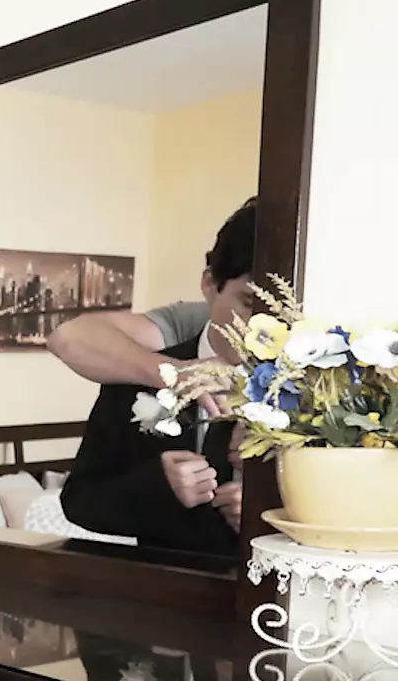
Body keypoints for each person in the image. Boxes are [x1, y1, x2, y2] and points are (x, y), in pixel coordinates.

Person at [58, 199, 257, 555]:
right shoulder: (137, 373)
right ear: (210, 283)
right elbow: (79, 502)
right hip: (162, 584)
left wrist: (264, 515)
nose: (264, 325)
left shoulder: (319, 390)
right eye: (249, 303)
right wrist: (156, 486)